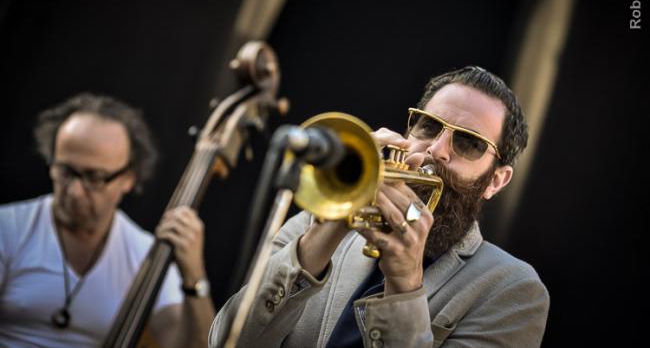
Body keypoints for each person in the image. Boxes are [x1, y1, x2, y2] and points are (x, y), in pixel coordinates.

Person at [209, 66, 550, 347]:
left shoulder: (512, 289)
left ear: (496, 180)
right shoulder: (312, 223)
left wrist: (405, 284)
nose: (437, 150)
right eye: (429, 127)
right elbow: (226, 339)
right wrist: (326, 230)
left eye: (468, 143)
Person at [0, 93, 216, 348]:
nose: (74, 191)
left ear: (129, 179)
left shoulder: (144, 253)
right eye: (66, 171)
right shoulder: (8, 228)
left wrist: (194, 276)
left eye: (95, 177)